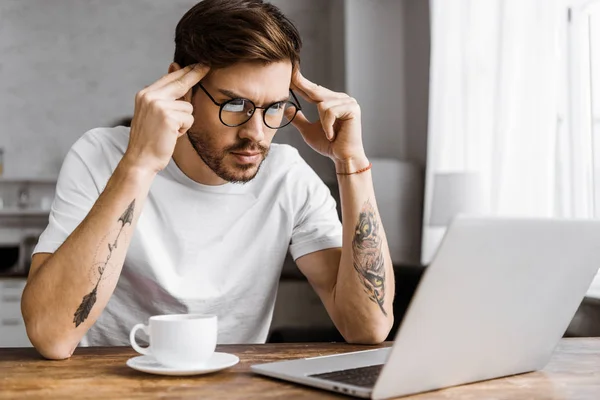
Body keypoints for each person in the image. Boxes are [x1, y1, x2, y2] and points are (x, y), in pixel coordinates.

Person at [21, 0, 395, 360]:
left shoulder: (287, 176)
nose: (257, 133)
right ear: (180, 88)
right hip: (106, 385)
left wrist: (351, 163)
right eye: (235, 105)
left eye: (274, 107)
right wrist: (138, 165)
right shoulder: (100, 155)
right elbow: (52, 337)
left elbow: (367, 328)